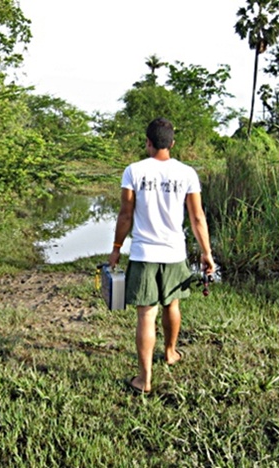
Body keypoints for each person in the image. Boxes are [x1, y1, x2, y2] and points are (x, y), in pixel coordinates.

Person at [108, 117, 215, 394]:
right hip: (174, 252)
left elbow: (126, 214)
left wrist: (117, 248)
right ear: (172, 144)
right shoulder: (187, 173)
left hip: (143, 252)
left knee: (146, 314)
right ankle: (170, 352)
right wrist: (206, 253)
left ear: (148, 143)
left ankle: (144, 379)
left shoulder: (133, 170)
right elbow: (197, 217)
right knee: (172, 305)